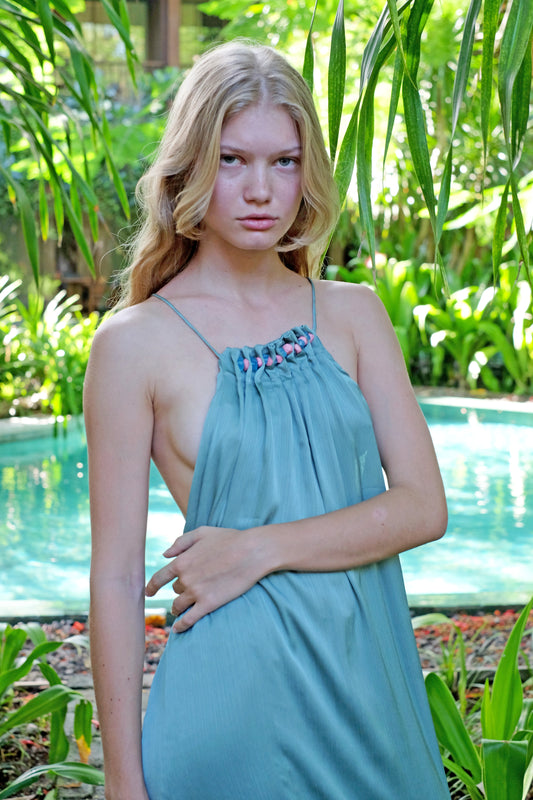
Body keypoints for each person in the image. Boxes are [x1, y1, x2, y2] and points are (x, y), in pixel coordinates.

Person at [84, 40, 450, 800]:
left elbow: (423, 507)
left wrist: (257, 549)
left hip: (371, 693)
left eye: (283, 161)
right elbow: (118, 577)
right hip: (228, 708)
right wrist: (123, 782)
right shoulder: (133, 344)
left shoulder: (353, 314)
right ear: (190, 169)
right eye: (231, 160)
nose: (260, 190)